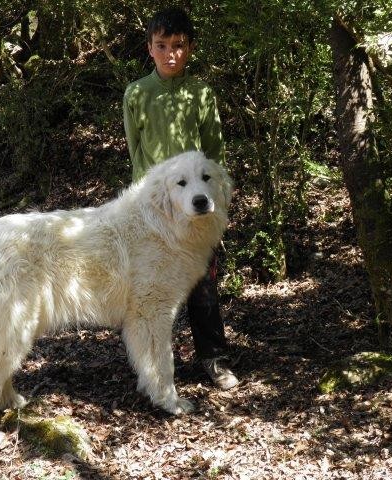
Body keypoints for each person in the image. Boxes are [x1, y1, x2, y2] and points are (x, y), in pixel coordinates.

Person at [123, 7, 238, 390]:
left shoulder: (201, 94)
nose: (171, 54)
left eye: (178, 46)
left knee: (203, 287)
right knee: (149, 289)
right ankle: (151, 368)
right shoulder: (137, 94)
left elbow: (214, 155)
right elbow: (136, 153)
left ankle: (214, 358)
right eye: (162, 46)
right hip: (154, 214)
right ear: (149, 49)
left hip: (198, 209)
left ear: (189, 48)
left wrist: (217, 205)